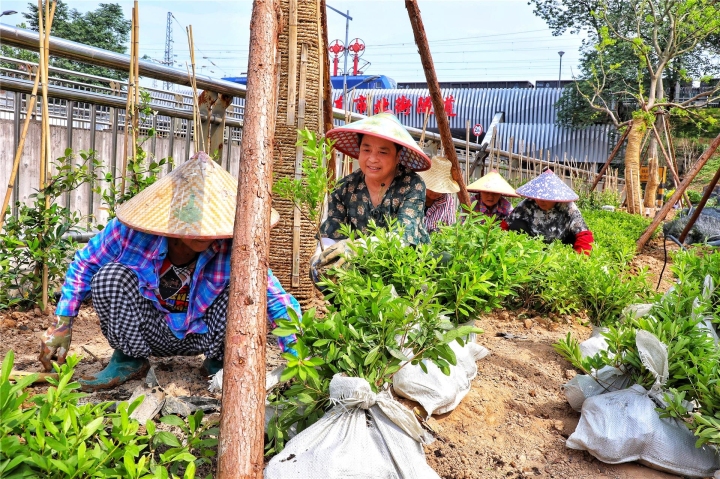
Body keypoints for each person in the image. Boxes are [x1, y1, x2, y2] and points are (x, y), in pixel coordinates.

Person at [39, 152, 300, 391]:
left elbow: (273, 296)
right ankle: (129, 360)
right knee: (110, 277)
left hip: (205, 334)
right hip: (149, 330)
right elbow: (85, 264)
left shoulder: (234, 246)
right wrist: (63, 323)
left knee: (245, 287)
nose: (202, 231)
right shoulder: (130, 233)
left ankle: (222, 363)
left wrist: (296, 355)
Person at [310, 112, 432, 282]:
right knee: (319, 271)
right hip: (360, 269)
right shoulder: (344, 188)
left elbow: (403, 238)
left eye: (383, 152)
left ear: (397, 157)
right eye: (366, 149)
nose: (373, 159)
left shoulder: (412, 184)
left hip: (406, 270)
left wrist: (357, 246)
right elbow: (331, 235)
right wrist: (320, 256)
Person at [502, 169, 594, 254]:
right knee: (516, 225)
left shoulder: (568, 206)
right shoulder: (528, 203)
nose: (541, 201)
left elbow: (583, 234)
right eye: (539, 197)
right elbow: (507, 223)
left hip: (560, 244)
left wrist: (580, 259)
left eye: (546, 198)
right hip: (533, 243)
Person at [417, 156, 459, 233]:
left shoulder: (447, 201)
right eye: (433, 188)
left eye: (440, 189)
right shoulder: (415, 193)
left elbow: (450, 228)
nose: (436, 192)